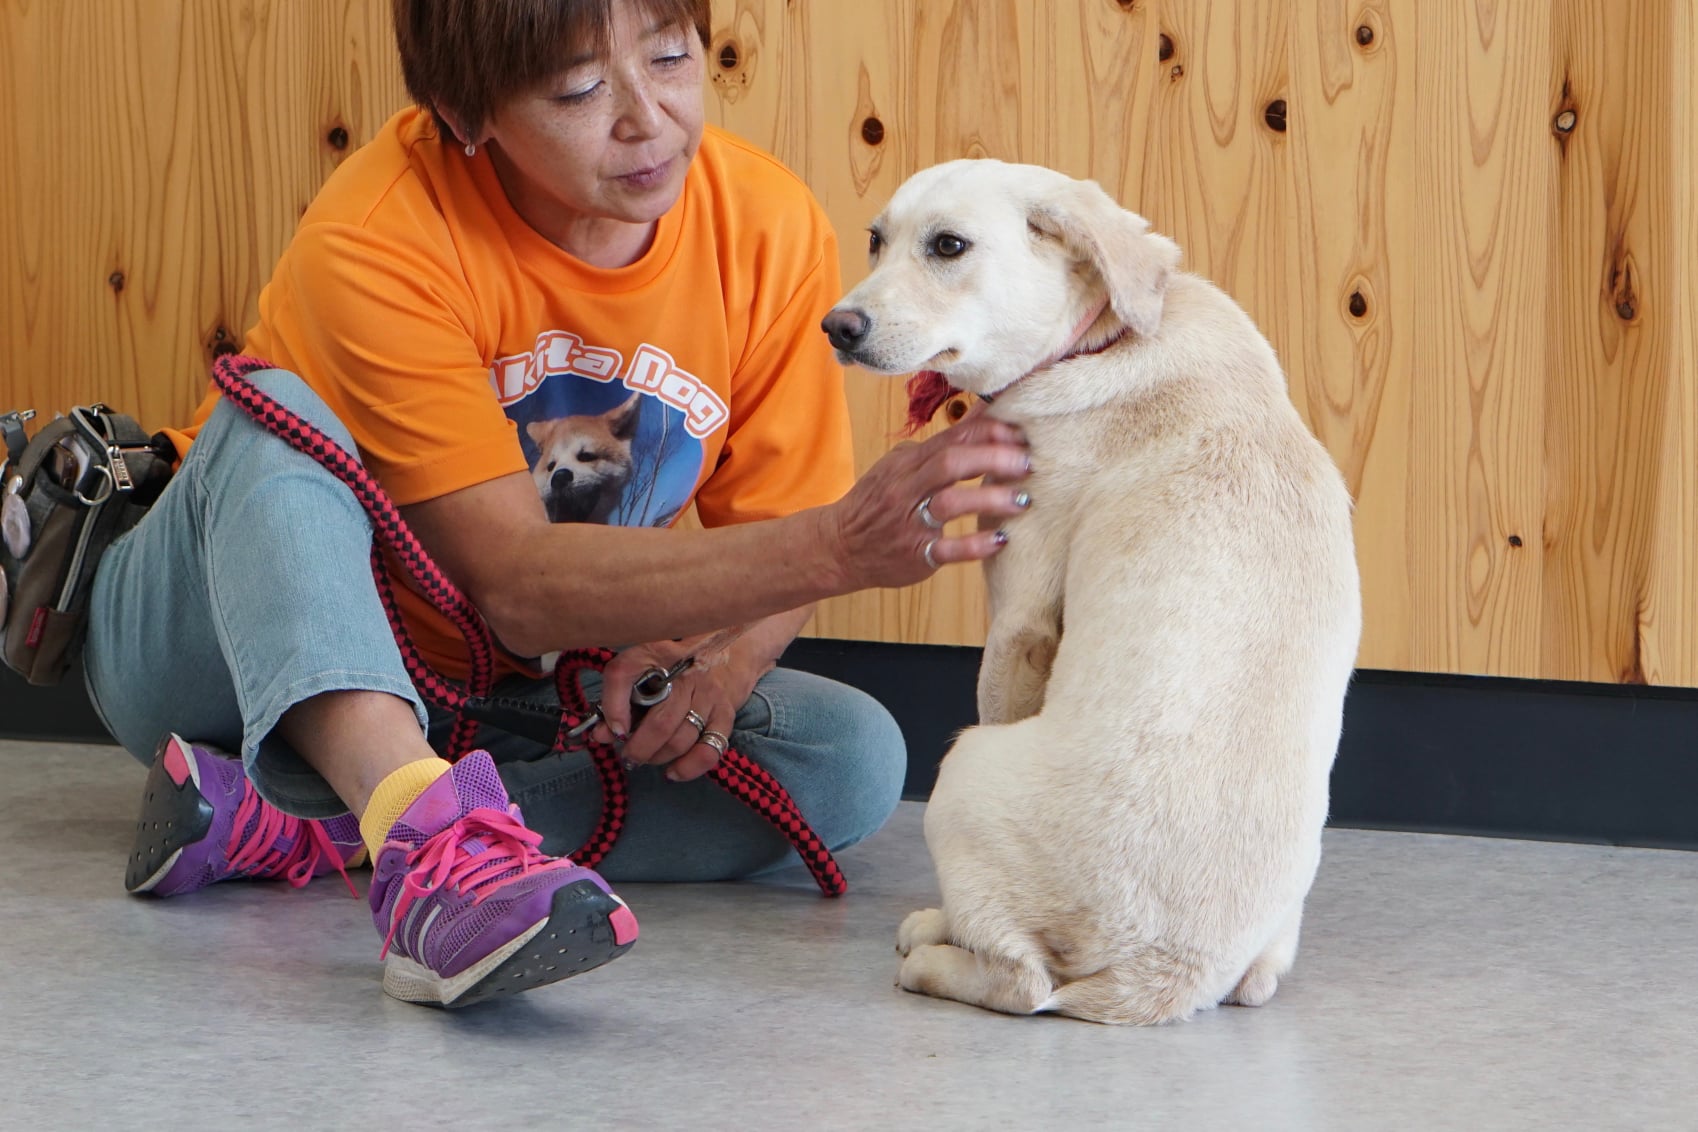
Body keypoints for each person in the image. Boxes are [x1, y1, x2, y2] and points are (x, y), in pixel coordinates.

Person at [81, 0, 1032, 1009]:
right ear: (464, 110)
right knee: (271, 407)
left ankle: (321, 819)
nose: (647, 116)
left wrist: (719, 658)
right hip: (210, 641)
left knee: (848, 756)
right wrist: (843, 544)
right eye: (580, 88)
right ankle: (430, 848)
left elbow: (770, 531)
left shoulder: (768, 224)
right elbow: (521, 590)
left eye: (670, 57)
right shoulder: (376, 232)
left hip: (494, 693)